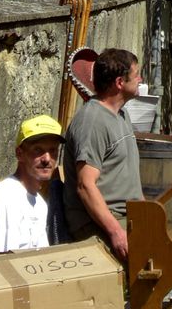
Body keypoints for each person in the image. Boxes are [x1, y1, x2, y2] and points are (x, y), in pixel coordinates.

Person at [63, 48, 144, 260]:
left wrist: (148, 214)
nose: (140, 79)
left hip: (128, 217)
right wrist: (116, 232)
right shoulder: (92, 121)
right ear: (119, 82)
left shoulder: (121, 114)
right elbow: (85, 185)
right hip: (103, 223)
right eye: (136, 75)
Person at [0, 114, 65, 258]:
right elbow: (6, 263)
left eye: (53, 151)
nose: (47, 159)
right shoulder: (5, 199)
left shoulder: (40, 203)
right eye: (38, 150)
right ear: (20, 154)